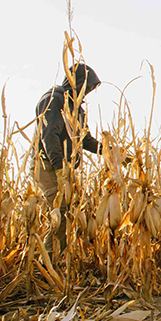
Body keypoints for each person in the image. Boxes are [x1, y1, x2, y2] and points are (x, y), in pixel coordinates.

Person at [34, 63, 102, 251]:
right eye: (87, 87)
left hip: (65, 168)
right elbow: (49, 136)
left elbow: (85, 140)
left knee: (77, 210)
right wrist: (58, 169)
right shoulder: (53, 100)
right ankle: (47, 263)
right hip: (47, 164)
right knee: (60, 213)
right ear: (76, 83)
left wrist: (110, 152)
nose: (88, 92)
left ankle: (59, 261)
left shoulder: (77, 109)